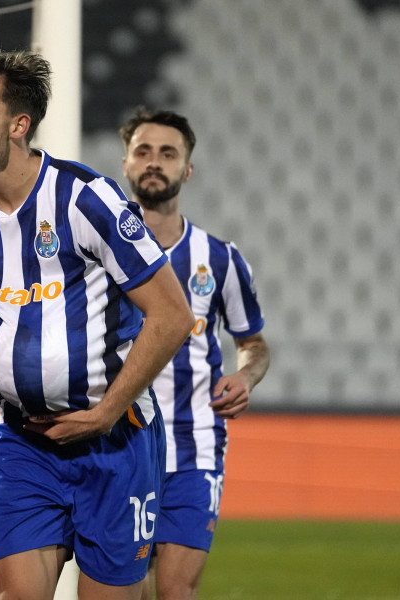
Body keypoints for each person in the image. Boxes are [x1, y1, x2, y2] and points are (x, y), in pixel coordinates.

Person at [0, 51, 195, 600]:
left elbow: (172, 316)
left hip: (116, 441)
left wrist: (106, 413)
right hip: (23, 443)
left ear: (18, 125)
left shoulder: (83, 199)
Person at [118, 107, 271, 600]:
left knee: (175, 590)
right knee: (125, 588)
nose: (154, 162)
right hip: (119, 440)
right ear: (126, 163)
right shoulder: (98, 251)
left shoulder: (220, 259)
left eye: (168, 153)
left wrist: (246, 377)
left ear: (188, 169)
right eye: (144, 152)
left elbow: (254, 344)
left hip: (194, 442)